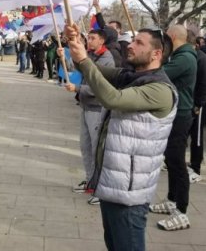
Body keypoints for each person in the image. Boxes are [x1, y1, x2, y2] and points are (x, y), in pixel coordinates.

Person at [64, 23, 177, 250]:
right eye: (133, 40)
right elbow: (90, 69)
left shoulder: (160, 90)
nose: (130, 45)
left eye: (139, 43)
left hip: (129, 192)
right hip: (114, 182)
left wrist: (84, 60)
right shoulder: (131, 76)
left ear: (156, 54)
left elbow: (112, 99)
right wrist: (75, 44)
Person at [150, 24, 197, 231]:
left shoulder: (185, 58)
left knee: (177, 163)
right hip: (175, 112)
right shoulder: (179, 55)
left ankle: (182, 211)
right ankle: (171, 199)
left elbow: (160, 73)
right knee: (171, 159)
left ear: (172, 36)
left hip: (181, 114)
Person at [63, 29, 116, 205]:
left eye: (93, 38)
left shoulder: (107, 59)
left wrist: (78, 89)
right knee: (85, 147)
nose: (89, 40)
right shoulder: (91, 55)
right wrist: (67, 55)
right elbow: (77, 68)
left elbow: (100, 85)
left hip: (97, 108)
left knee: (96, 150)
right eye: (89, 38)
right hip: (86, 106)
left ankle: (100, 187)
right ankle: (90, 182)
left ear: (102, 40)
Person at [188, 30, 206, 183]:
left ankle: (196, 168)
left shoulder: (202, 60)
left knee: (196, 136)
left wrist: (199, 104)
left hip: (198, 104)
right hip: (188, 102)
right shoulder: (189, 58)